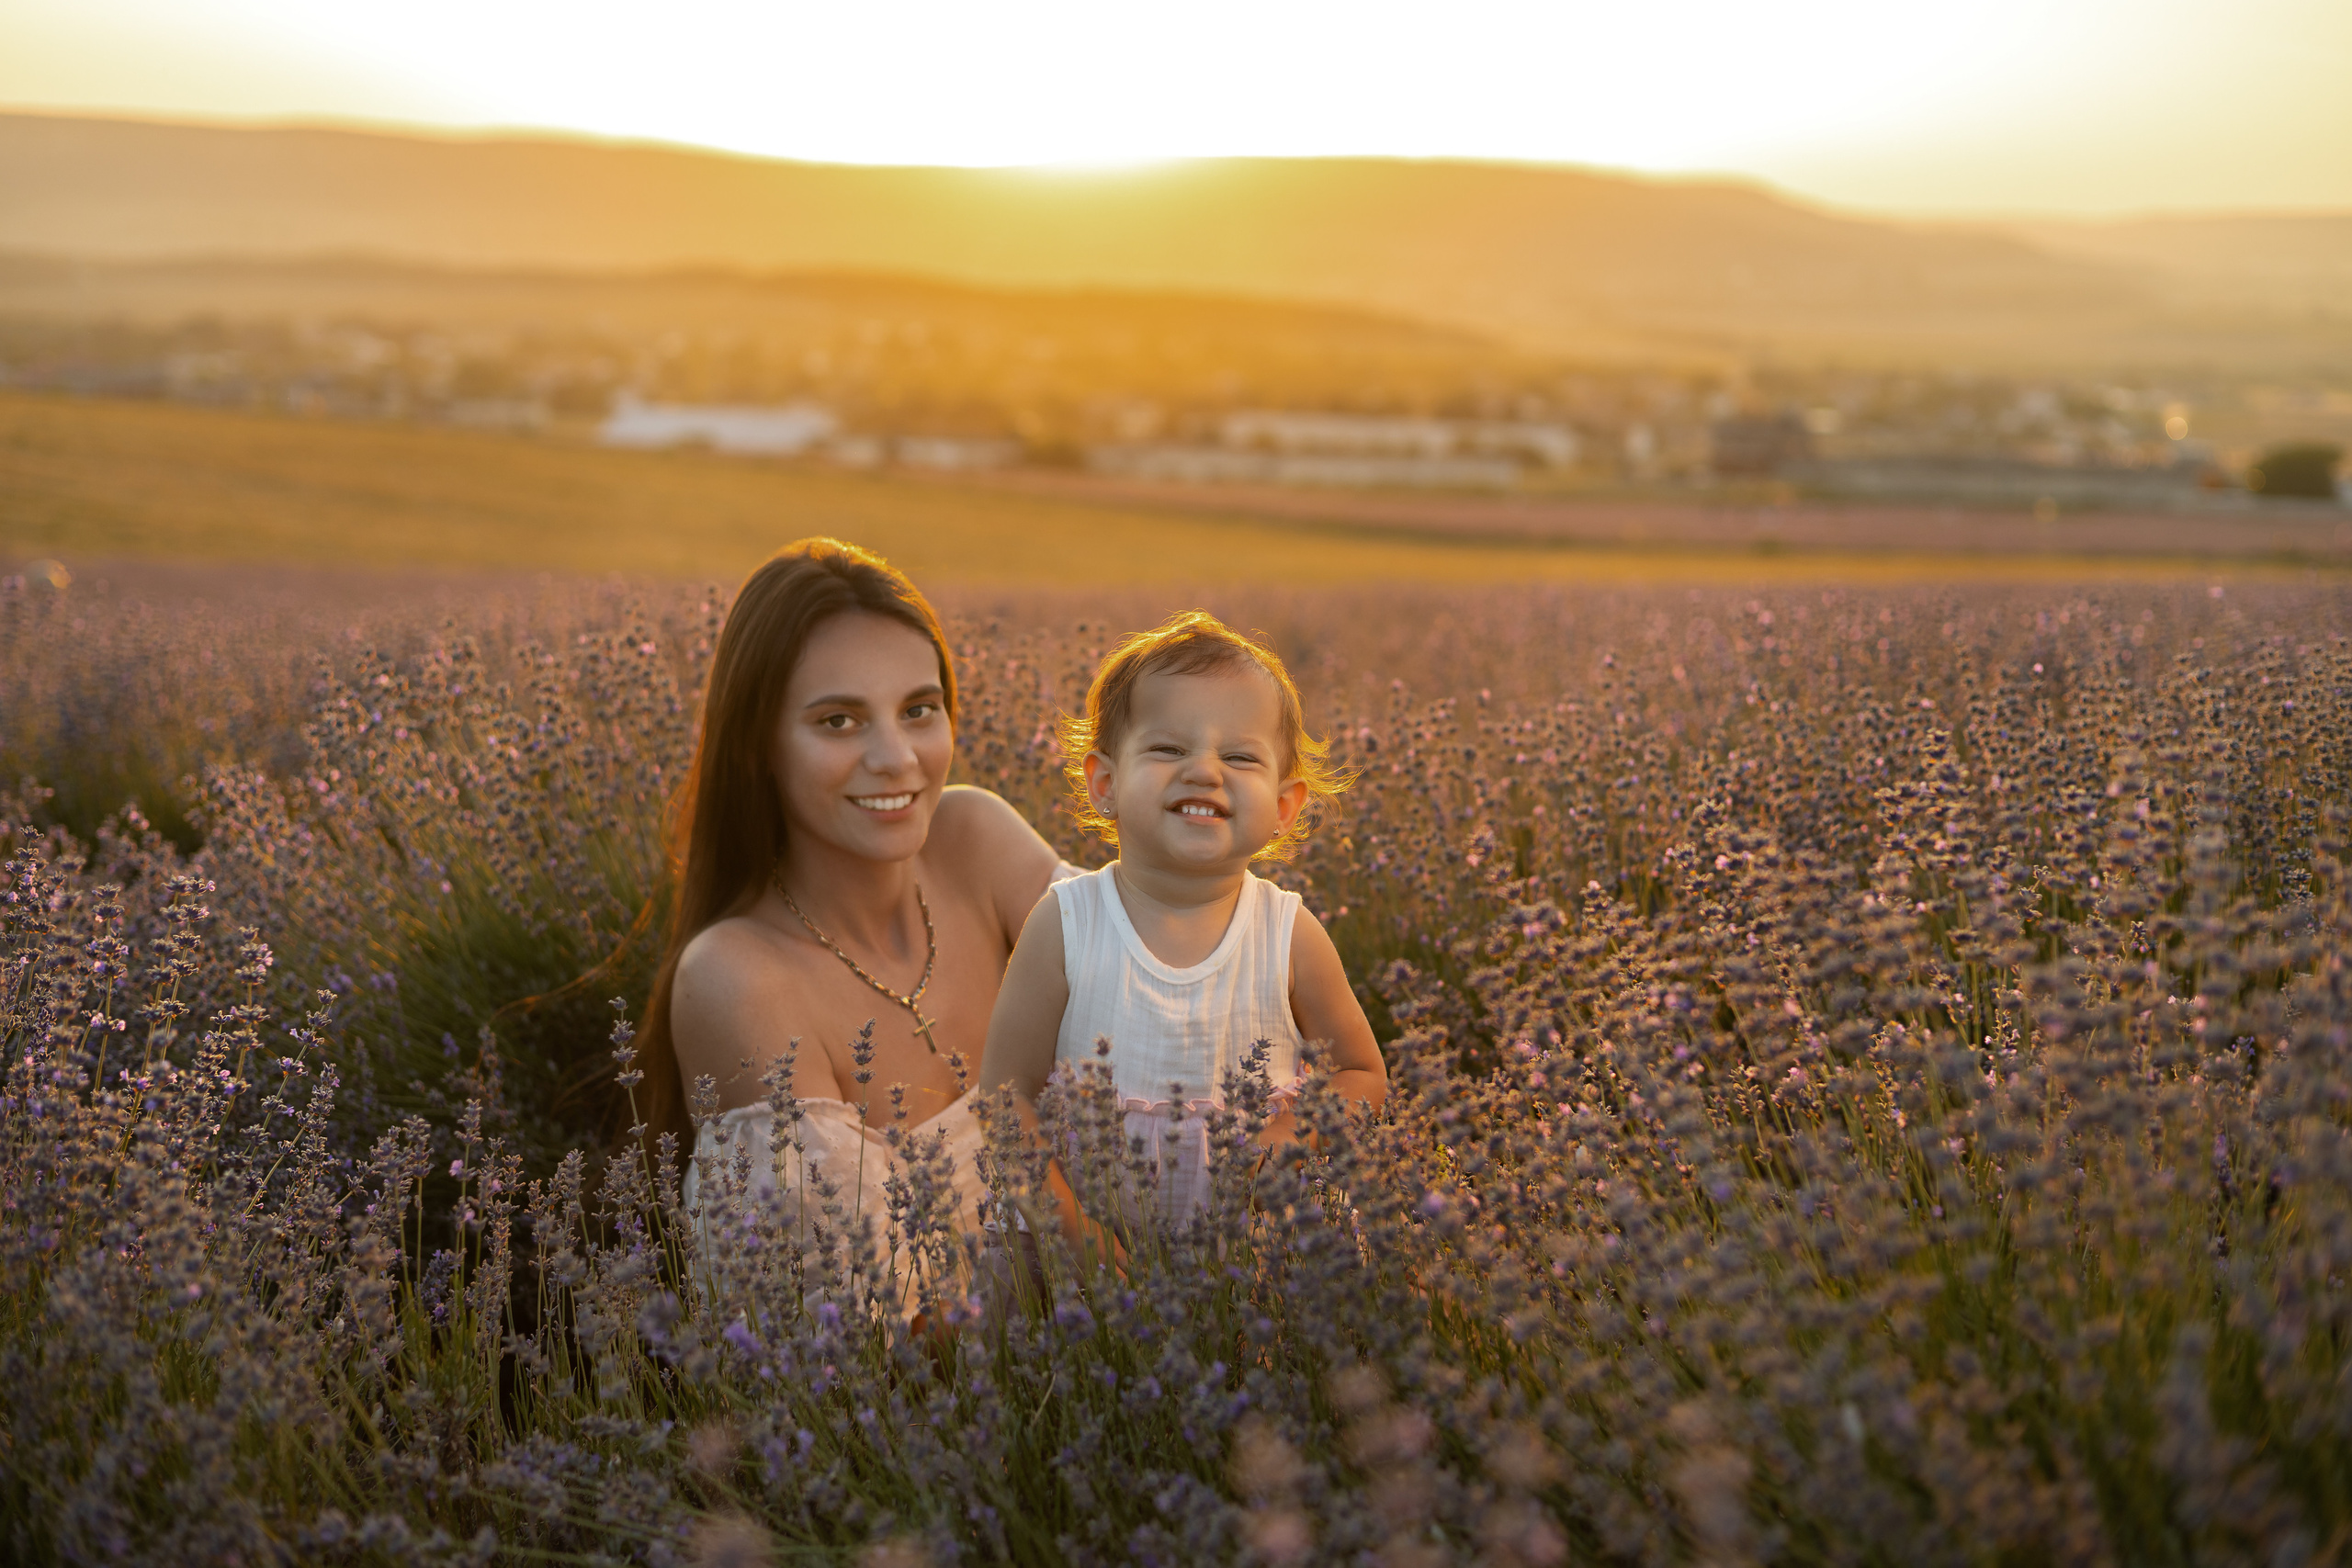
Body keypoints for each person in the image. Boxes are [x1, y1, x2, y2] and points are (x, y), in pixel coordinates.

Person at [643, 537, 1071, 1292]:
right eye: (839, 721)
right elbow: (858, 1326)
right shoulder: (738, 977)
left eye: (918, 709)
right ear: (758, 745)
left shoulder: (976, 841)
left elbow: (1179, 978)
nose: (897, 757)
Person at [978, 611, 1387, 1224]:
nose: (1204, 770)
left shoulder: (1287, 934)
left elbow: (1361, 1072)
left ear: (1283, 806)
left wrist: (1292, 1134)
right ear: (1105, 783)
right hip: (1081, 1251)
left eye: (1240, 757)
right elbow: (1006, 1099)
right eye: (1169, 748)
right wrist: (1074, 1235)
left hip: (1252, 1257)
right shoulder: (1064, 924)